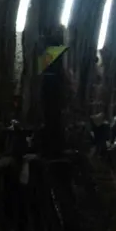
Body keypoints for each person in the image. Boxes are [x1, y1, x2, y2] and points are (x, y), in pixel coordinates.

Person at [37, 30, 70, 158]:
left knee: (53, 121)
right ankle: (53, 150)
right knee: (52, 121)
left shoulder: (50, 72)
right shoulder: (53, 72)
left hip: (52, 101)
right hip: (52, 100)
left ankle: (52, 150)